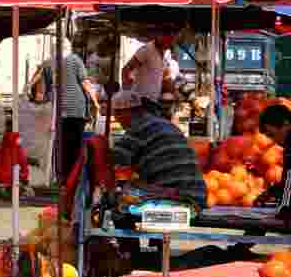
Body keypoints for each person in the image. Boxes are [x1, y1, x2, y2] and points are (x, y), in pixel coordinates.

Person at [109, 90, 207, 207]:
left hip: (176, 195)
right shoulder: (166, 124)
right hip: (198, 194)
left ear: (125, 112)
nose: (117, 119)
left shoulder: (138, 127)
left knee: (127, 194)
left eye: (117, 114)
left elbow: (116, 160)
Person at [59, 40, 100, 181]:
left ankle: (65, 175)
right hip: (76, 108)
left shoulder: (56, 62)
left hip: (61, 108)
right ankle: (74, 177)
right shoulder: (75, 60)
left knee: (64, 144)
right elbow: (85, 83)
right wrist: (95, 102)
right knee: (76, 145)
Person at [121, 32, 177, 111]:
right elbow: (126, 69)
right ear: (159, 37)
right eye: (168, 40)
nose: (169, 44)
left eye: (171, 41)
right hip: (140, 100)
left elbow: (166, 77)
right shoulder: (146, 50)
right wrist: (127, 94)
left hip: (153, 101)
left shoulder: (165, 54)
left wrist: (176, 93)